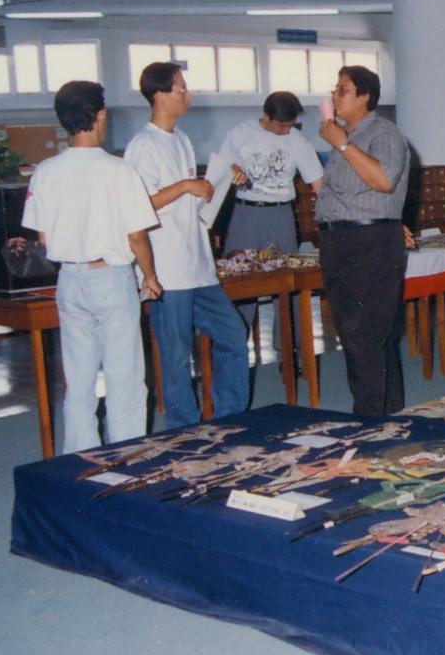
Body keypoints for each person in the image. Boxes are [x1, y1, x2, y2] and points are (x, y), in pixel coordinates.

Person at [22, 80, 161, 453]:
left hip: (70, 279)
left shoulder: (45, 171)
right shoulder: (118, 170)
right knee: (125, 377)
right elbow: (136, 236)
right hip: (111, 278)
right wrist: (149, 276)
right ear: (101, 115)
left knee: (79, 378)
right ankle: (127, 457)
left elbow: (42, 238)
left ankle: (79, 456)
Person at [125, 61, 249, 429]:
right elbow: (137, 206)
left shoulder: (181, 139)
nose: (187, 94)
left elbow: (194, 201)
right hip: (167, 269)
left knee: (233, 334)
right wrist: (183, 186)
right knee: (176, 355)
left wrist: (223, 179)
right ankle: (183, 431)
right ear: (159, 95)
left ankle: (229, 419)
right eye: (180, 88)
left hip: (197, 264)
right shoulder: (142, 146)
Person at [315, 65, 411, 416]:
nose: (334, 95)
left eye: (343, 90)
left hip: (369, 241)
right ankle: (389, 415)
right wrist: (341, 142)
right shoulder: (346, 138)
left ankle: (368, 421)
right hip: (341, 241)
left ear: (365, 96)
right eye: (335, 89)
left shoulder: (382, 133)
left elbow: (383, 180)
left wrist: (341, 143)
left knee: (364, 335)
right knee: (361, 335)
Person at [206, 91, 323, 328]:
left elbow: (318, 182)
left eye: (290, 125)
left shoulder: (297, 140)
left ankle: (290, 349)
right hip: (246, 215)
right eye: (281, 125)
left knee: (288, 285)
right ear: (266, 116)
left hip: (280, 216)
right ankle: (235, 345)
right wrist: (231, 170)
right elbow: (219, 169)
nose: (286, 130)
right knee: (239, 283)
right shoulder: (241, 132)